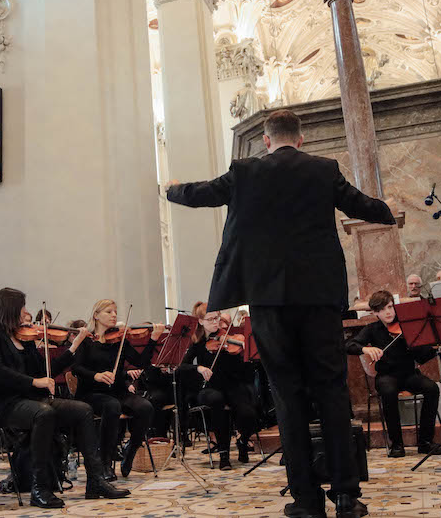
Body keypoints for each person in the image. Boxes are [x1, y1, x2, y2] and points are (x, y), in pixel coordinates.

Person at [166, 108, 396, 518]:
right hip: (319, 298)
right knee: (331, 391)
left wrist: (172, 189)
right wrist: (387, 210)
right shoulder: (324, 169)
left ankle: (306, 501)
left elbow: (202, 193)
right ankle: (345, 495)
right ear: (301, 139)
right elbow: (360, 204)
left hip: (269, 300)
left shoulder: (244, 170)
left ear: (267, 141)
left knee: (287, 395)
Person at [0, 287, 129, 508]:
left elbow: (46, 370)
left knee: (83, 409)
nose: (25, 312)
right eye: (22, 307)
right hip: (1, 404)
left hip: (28, 401)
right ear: (11, 308)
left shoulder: (25, 338)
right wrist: (33, 382)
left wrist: (74, 346)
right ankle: (39, 488)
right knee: (44, 413)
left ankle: (96, 481)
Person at [72, 299, 165, 478]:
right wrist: (96, 375)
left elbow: (140, 362)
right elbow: (76, 368)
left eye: (115, 312)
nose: (114, 315)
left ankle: (130, 451)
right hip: (91, 393)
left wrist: (153, 339)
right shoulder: (87, 340)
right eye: (109, 312)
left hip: (116, 391)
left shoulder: (118, 341)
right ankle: (105, 462)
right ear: (96, 315)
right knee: (112, 405)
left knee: (145, 407)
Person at [345, 291, 440, 458]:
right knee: (388, 392)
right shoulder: (372, 329)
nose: (388, 312)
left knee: (432, 388)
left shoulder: (407, 327)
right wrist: (365, 348)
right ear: (375, 313)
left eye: (390, 307)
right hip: (386, 376)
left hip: (409, 374)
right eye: (382, 310)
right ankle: (396, 443)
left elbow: (421, 357)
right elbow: (349, 344)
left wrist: (433, 348)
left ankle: (425, 442)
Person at [179, 302, 260, 469]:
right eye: (211, 319)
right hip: (208, 387)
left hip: (231, 384)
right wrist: (199, 368)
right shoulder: (197, 342)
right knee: (217, 402)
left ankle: (243, 441)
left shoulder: (228, 338)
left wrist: (244, 351)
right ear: (200, 321)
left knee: (249, 413)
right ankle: (224, 454)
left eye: (217, 317)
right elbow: (181, 366)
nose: (216, 322)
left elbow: (244, 369)